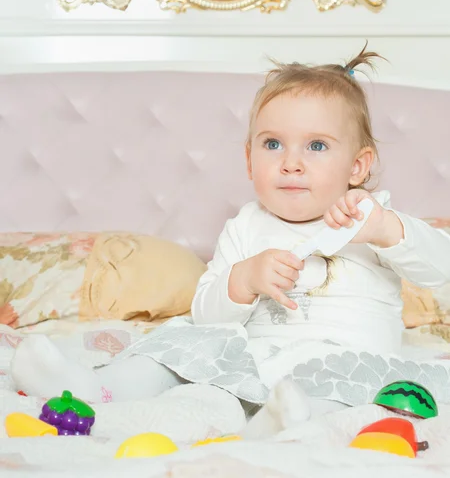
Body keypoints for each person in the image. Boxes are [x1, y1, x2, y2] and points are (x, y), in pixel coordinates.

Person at [9, 47, 450, 431]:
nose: (291, 163)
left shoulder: (370, 219)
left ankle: (286, 426)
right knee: (179, 346)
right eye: (273, 144)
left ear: (357, 167)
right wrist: (241, 280)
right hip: (251, 359)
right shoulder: (246, 225)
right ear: (249, 158)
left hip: (338, 362)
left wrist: (388, 230)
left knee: (344, 397)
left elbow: (440, 268)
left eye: (316, 146)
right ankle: (94, 388)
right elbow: (207, 315)